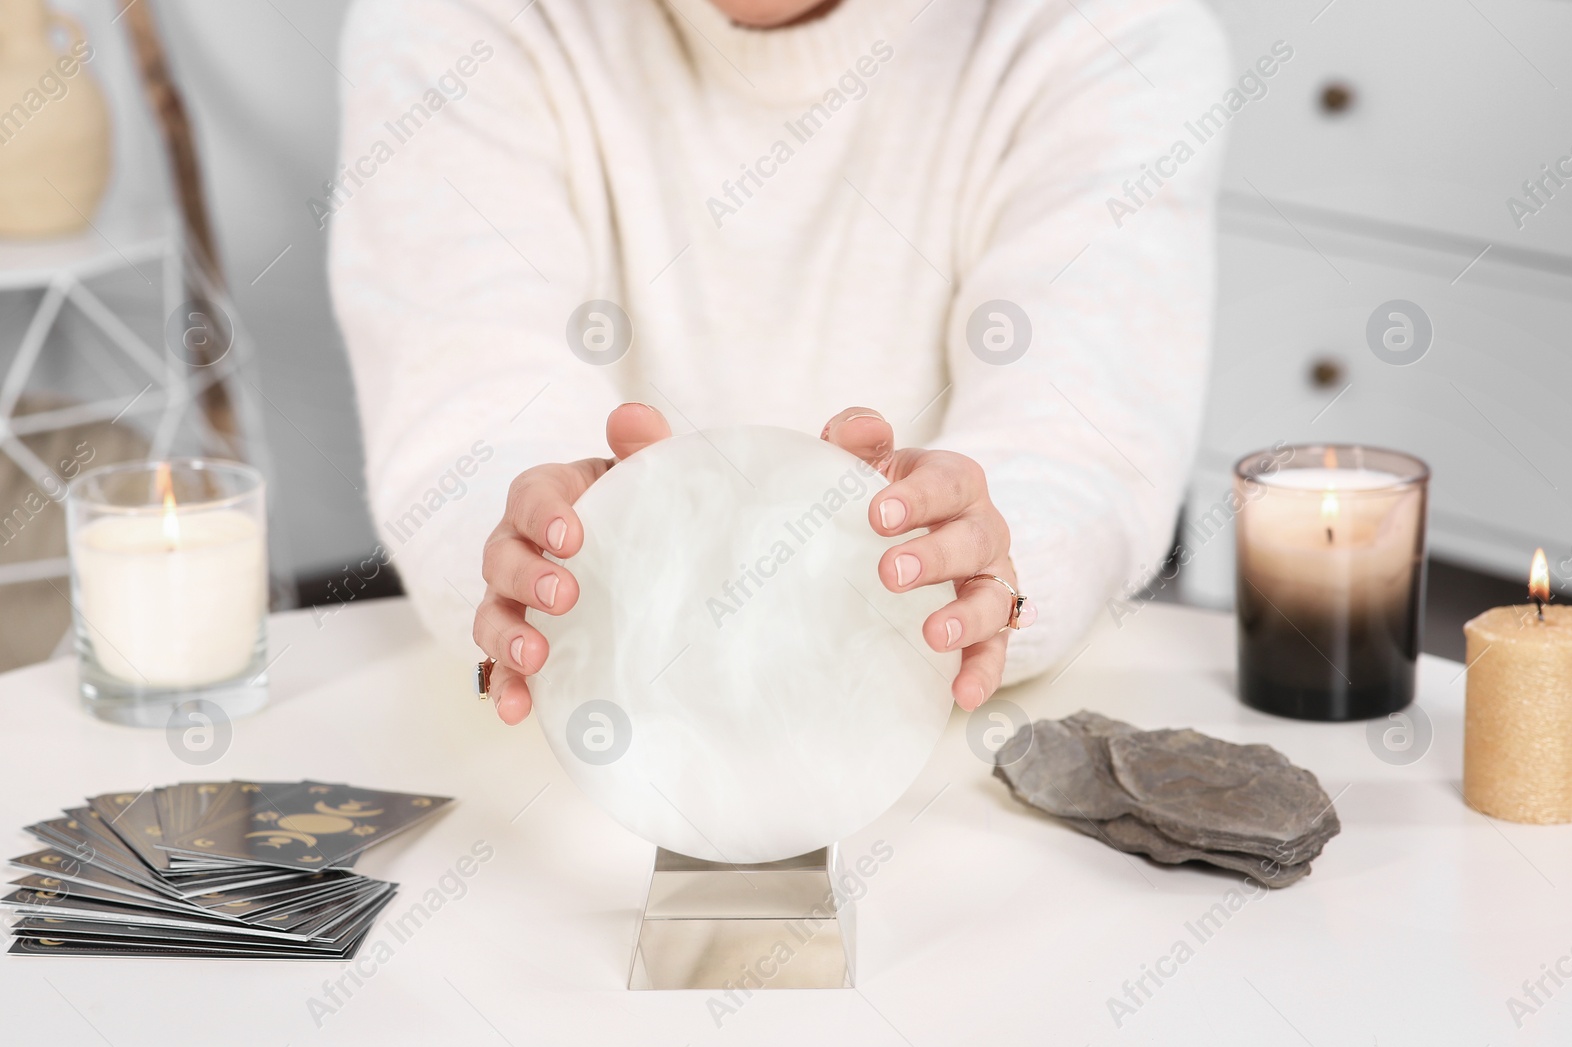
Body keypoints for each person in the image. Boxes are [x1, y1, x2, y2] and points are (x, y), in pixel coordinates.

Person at [331, 0, 1228, 724]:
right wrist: (539, 549)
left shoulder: (1116, 29)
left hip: (953, 748)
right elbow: (467, 417)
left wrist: (987, 563)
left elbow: (1077, 448)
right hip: (593, 745)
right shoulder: (449, 22)